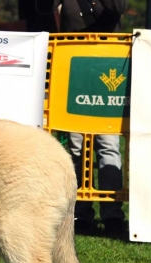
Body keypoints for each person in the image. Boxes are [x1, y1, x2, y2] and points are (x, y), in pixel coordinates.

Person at [55, 0, 128, 234]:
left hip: (108, 68)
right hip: (73, 69)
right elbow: (42, 9)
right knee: (77, 147)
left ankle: (113, 215)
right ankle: (80, 213)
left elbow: (118, 8)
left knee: (108, 145)